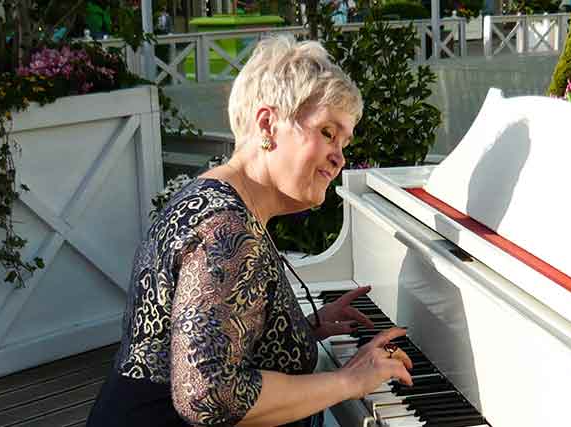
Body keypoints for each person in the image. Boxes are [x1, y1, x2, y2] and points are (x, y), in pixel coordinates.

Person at [87, 35, 414, 427]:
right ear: (267, 124)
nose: (339, 156)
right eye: (328, 132)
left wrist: (302, 329)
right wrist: (348, 379)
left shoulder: (215, 199)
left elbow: (215, 332)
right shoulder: (223, 228)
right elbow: (209, 396)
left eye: (344, 141)